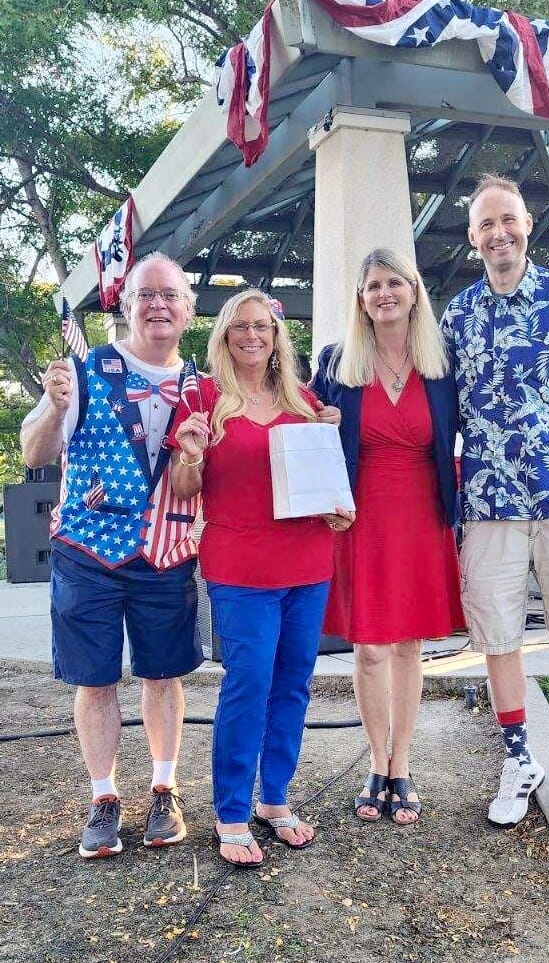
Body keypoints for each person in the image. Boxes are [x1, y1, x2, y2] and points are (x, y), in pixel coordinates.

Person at [440, 172, 549, 831]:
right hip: (489, 502)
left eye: (507, 219)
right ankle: (519, 759)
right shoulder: (457, 316)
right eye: (485, 224)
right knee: (497, 636)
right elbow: (435, 406)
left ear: (526, 224)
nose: (498, 232)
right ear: (471, 238)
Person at [20, 252, 204, 859]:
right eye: (145, 295)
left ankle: (163, 786)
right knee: (95, 679)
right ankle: (104, 796)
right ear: (125, 306)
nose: (158, 305)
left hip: (165, 552)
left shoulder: (200, 386)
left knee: (163, 674)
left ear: (188, 309)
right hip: (88, 552)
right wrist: (52, 403)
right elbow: (32, 452)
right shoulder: (83, 370)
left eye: (170, 295)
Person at [169, 289, 352, 867]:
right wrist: (192, 453)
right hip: (239, 567)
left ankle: (274, 800)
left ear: (276, 338)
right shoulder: (202, 398)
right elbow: (182, 489)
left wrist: (330, 445)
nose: (252, 336)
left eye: (263, 327)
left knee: (294, 683)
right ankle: (230, 811)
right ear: (223, 335)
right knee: (247, 683)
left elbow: (326, 487)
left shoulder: (304, 400)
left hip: (307, 563)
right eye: (239, 327)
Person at [312, 248, 465, 825]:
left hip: (422, 515)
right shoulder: (335, 361)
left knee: (408, 646)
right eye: (373, 285)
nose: (384, 294)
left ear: (414, 291)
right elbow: (300, 421)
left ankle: (403, 766)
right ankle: (376, 764)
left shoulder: (441, 364)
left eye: (394, 283)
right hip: (360, 517)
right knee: (370, 648)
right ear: (361, 298)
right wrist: (318, 420)